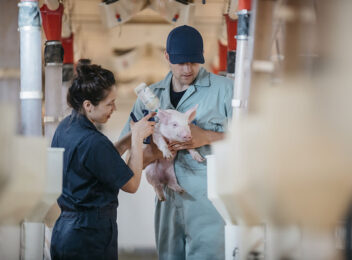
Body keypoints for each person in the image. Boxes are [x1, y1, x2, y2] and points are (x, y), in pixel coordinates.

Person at [120, 25, 233, 260]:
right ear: (167, 57)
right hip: (167, 201)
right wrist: (154, 151)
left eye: (193, 61)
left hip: (209, 202)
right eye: (181, 62)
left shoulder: (224, 90)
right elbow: (130, 160)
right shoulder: (149, 98)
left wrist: (207, 136)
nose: (187, 69)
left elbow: (251, 140)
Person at [50, 63, 156, 259]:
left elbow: (100, 159)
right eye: (109, 103)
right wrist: (137, 140)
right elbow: (131, 185)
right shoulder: (93, 141)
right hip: (89, 236)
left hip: (66, 229)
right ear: (88, 105)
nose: (114, 108)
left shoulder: (66, 127)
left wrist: (129, 138)